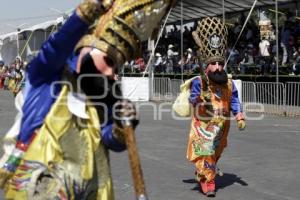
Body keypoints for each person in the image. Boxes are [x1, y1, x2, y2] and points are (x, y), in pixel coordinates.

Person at [0, 0, 175, 199]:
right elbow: (56, 47)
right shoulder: (48, 77)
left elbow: (108, 139)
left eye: (116, 68)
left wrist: (121, 128)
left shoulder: (104, 96)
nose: (111, 73)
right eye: (108, 61)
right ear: (86, 49)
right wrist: (87, 12)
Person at [189, 17, 246, 197]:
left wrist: (239, 116)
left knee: (215, 153)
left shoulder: (228, 83)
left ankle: (205, 173)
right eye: (213, 63)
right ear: (206, 65)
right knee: (206, 153)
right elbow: (192, 100)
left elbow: (234, 100)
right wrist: (200, 97)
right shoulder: (199, 81)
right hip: (204, 125)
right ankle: (208, 181)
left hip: (222, 126)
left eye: (220, 63)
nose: (218, 67)